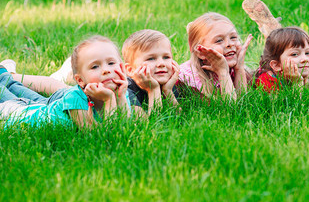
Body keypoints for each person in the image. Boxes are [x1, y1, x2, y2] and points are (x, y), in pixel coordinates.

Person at [0, 36, 131, 128]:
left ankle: (3, 75)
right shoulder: (75, 98)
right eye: (95, 67)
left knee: (13, 88)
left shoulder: (120, 92)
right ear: (80, 80)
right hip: (20, 116)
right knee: (9, 98)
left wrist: (120, 97)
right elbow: (99, 135)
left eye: (111, 63)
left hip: (40, 107)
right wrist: (108, 100)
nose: (106, 70)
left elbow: (124, 125)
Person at [178, 12, 253, 99]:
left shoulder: (233, 69)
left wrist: (239, 68)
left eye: (233, 37)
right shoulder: (191, 81)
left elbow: (242, 100)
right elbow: (231, 108)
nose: (229, 44)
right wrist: (223, 72)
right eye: (219, 40)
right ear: (200, 52)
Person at [122, 29, 179, 115]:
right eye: (151, 59)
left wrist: (168, 91)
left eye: (166, 57)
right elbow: (151, 124)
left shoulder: (168, 83)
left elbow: (179, 117)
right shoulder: (126, 90)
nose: (161, 63)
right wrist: (153, 89)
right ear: (130, 70)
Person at [255, 27, 309, 92]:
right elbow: (295, 102)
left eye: (307, 53)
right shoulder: (266, 81)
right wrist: (297, 83)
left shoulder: (303, 74)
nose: (305, 59)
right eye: (294, 54)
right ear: (276, 65)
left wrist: (308, 80)